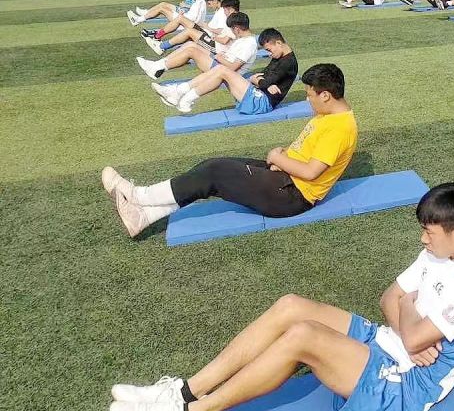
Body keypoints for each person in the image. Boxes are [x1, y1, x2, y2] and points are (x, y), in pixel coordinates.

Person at [106, 181, 454, 411]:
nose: (422, 240)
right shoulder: (439, 252)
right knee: (291, 306)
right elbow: (390, 298)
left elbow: (415, 335)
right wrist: (408, 322)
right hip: (388, 342)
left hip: (408, 385)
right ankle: (185, 394)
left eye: (429, 232)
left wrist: (410, 320)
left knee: (303, 336)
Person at [102, 63, 356, 241]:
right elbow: (307, 152)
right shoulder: (328, 115)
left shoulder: (340, 127)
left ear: (325, 95)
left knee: (216, 171)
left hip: (293, 196)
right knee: (216, 166)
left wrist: (279, 158)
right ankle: (145, 215)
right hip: (285, 178)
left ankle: (138, 195)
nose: (308, 99)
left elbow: (311, 173)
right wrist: (283, 158)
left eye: (311, 95)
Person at [152, 28, 298, 114]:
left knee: (222, 70)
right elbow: (266, 79)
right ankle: (180, 94)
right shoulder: (280, 56)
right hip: (257, 95)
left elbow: (264, 80)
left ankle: (181, 94)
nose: (269, 53)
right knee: (220, 71)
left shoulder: (288, 62)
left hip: (261, 103)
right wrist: (262, 82)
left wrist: (258, 80)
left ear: (279, 43)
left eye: (269, 50)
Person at [135, 12, 258, 81]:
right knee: (190, 44)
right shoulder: (242, 40)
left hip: (224, 69)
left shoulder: (249, 43)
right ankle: (158, 66)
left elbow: (233, 67)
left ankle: (158, 66)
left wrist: (219, 56)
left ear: (236, 28)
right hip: (220, 60)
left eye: (232, 29)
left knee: (191, 50)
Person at [142, 0, 241, 56]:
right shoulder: (229, 16)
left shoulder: (233, 21)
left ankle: (162, 47)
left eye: (225, 9)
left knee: (189, 32)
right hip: (208, 33)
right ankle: (157, 37)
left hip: (214, 43)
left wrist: (209, 29)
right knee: (181, 18)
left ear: (231, 9)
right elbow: (223, 31)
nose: (224, 11)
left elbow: (224, 37)